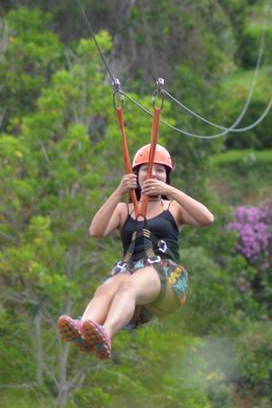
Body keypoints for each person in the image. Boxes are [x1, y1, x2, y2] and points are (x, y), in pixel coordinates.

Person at [57, 144, 214, 360]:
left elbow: (207, 218)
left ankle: (107, 333)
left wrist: (170, 191)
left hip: (166, 278)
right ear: (136, 175)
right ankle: (85, 328)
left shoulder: (174, 208)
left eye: (160, 170)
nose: (152, 174)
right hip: (132, 278)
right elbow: (96, 231)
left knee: (128, 284)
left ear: (167, 176)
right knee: (107, 287)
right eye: (145, 169)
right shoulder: (124, 210)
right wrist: (118, 192)